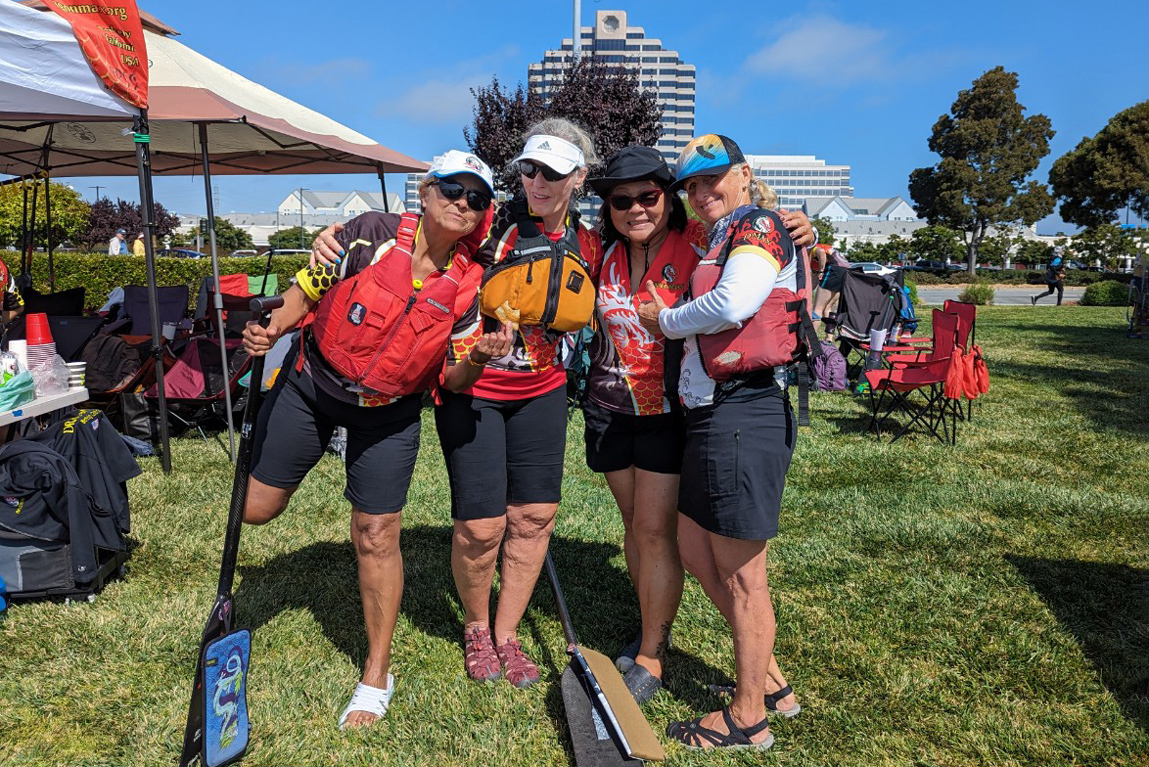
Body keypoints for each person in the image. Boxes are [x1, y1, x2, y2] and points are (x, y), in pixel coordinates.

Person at [241, 150, 512, 729]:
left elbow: (454, 379)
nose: (463, 203)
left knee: (376, 532)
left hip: (389, 413)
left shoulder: (470, 284)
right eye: (453, 189)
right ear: (427, 191)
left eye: (477, 198)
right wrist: (272, 327)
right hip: (313, 386)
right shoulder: (368, 234)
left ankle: (376, 673)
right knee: (256, 509)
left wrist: (480, 359)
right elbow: (305, 294)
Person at [583, 146, 815, 704]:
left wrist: (805, 232)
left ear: (668, 199)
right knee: (637, 527)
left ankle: (653, 653)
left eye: (648, 195)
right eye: (621, 200)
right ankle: (677, 640)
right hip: (610, 407)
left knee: (658, 532)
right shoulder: (600, 251)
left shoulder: (701, 239)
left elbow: (757, 276)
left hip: (677, 408)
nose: (636, 208)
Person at [637, 134, 805, 750]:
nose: (702, 192)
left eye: (713, 178)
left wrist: (665, 320)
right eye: (692, 185)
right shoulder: (721, 234)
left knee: (742, 576)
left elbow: (735, 302)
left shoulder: (756, 225)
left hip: (745, 410)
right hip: (713, 414)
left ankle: (747, 717)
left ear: (743, 174)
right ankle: (771, 684)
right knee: (694, 548)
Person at [436, 119, 600, 689]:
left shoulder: (590, 242)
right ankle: (477, 627)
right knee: (481, 527)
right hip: (474, 389)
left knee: (533, 518)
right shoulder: (489, 224)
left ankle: (507, 633)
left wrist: (791, 230)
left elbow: (670, 235)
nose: (538, 182)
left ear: (578, 178)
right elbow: (423, 235)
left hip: (543, 392)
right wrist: (341, 235)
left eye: (552, 173)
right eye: (529, 170)